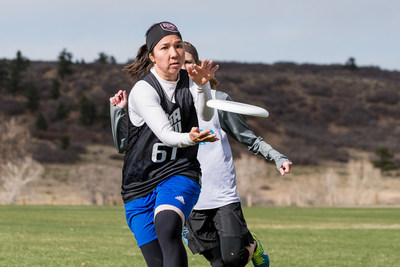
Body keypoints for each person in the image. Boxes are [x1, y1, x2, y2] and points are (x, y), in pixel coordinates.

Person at [110, 41, 292, 267]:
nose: (182, 68)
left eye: (188, 63)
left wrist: (278, 157)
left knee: (233, 259)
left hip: (221, 195)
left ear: (197, 66)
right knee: (218, 263)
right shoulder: (158, 105)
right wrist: (118, 113)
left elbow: (250, 139)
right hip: (187, 200)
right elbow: (126, 145)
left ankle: (251, 244)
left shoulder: (217, 102)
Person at [119, 22, 219, 267]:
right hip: (138, 184)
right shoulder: (143, 90)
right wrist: (190, 138)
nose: (174, 53)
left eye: (178, 46)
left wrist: (203, 86)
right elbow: (165, 134)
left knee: (167, 226)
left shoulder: (190, 79)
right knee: (157, 262)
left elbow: (205, 115)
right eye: (164, 48)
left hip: (180, 172)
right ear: (152, 56)